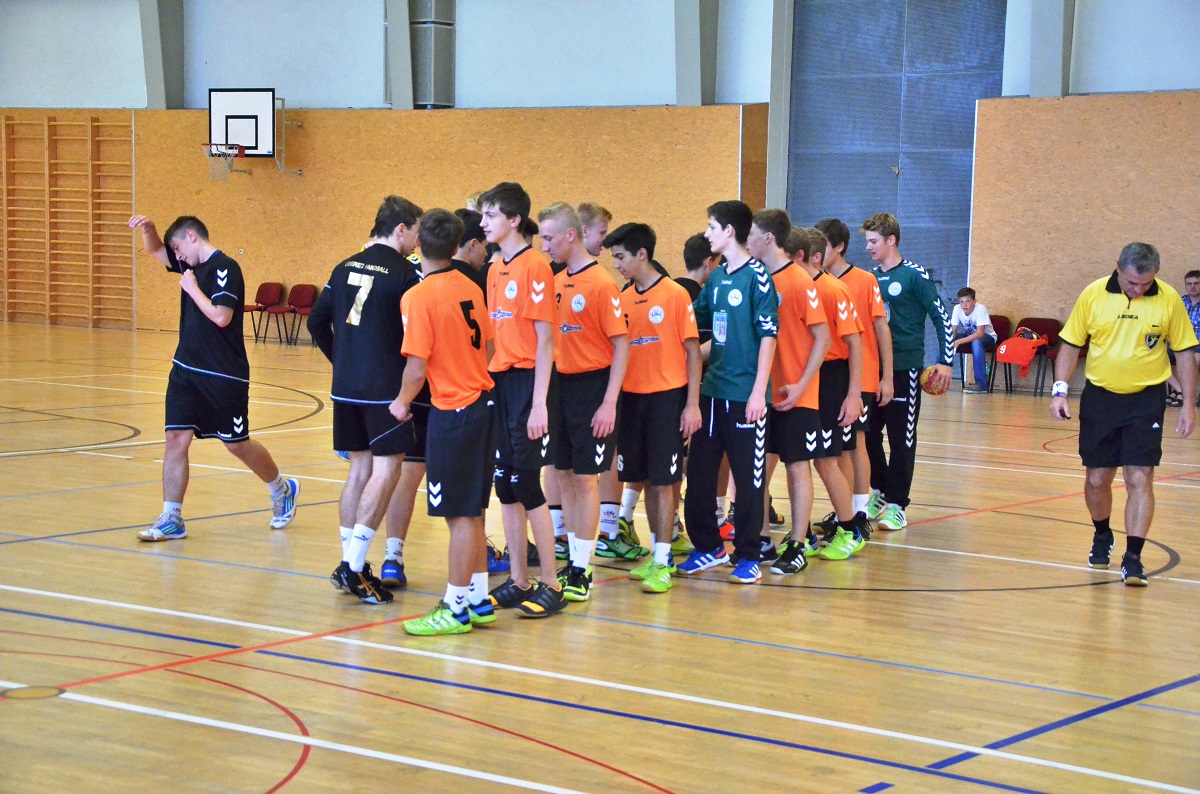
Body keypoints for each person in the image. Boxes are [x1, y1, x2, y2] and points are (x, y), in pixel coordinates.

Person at [128, 215, 298, 543]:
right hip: (185, 370)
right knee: (175, 438)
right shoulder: (187, 264)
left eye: (178, 248)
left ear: (192, 236)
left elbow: (222, 316)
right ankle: (172, 518)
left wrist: (192, 289)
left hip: (224, 374)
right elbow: (155, 251)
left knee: (236, 444)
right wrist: (149, 230)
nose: (176, 256)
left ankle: (282, 489)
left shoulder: (226, 268)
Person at [1050, 243, 1197, 586]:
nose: (1138, 290)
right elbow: (1071, 344)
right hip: (1101, 398)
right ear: (1117, 268)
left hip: (1146, 399)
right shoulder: (1093, 294)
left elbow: (1185, 353)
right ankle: (1102, 533)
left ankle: (1133, 558)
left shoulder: (1169, 299)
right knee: (1097, 479)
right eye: (1132, 283)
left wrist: (1189, 404)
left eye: (1146, 284)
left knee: (1140, 477)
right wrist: (1059, 390)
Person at [308, 196, 423, 604]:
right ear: (401, 229)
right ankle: (354, 566)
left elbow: (316, 321)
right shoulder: (406, 275)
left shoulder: (343, 266)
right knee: (388, 468)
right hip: (385, 389)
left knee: (359, 469)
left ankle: (349, 562)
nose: (417, 243)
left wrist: (341, 359)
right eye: (415, 233)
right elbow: (417, 334)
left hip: (346, 387)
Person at [392, 209, 498, 634]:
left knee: (459, 515)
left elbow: (416, 366)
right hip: (483, 404)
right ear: (457, 247)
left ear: (418, 244)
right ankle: (478, 598)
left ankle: (454, 608)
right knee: (472, 510)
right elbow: (489, 349)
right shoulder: (471, 286)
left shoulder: (418, 296)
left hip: (454, 413)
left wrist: (401, 402)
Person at [678, 200, 778, 585]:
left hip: (744, 396)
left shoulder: (758, 277)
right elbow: (695, 323)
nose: (707, 234)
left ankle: (749, 554)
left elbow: (768, 337)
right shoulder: (718, 278)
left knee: (748, 481)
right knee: (699, 474)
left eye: (711, 227)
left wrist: (758, 392)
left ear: (729, 231)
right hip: (712, 393)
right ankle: (708, 547)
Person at [480, 182, 565, 617]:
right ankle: (518, 579)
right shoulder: (494, 268)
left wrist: (539, 403)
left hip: (530, 382)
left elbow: (546, 341)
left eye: (490, 215)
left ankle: (552, 583)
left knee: (528, 483)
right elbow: (494, 336)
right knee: (505, 484)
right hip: (501, 382)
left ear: (514, 220)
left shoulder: (536, 267)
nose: (482, 223)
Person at [541, 202, 630, 601]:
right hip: (559, 387)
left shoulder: (601, 284)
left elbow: (622, 345)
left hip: (593, 389)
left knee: (585, 478)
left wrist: (609, 402)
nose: (545, 247)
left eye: (549, 238)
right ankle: (573, 556)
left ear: (570, 235)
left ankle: (582, 567)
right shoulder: (556, 281)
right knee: (562, 473)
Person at [606, 222, 702, 593]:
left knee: (664, 481)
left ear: (642, 254)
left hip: (667, 399)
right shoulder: (623, 298)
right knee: (644, 478)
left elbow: (693, 352)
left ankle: (663, 560)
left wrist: (691, 404)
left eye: (620, 257)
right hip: (631, 401)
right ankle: (657, 554)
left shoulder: (675, 294)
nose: (616, 265)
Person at [861, 213, 954, 531]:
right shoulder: (869, 279)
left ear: (891, 240)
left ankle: (897, 505)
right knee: (868, 434)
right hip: (872, 370)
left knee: (901, 438)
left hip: (905, 369)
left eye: (873, 241)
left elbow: (941, 317)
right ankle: (879, 490)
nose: (869, 247)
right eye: (867, 242)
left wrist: (946, 360)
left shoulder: (915, 276)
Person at [748, 217, 830, 575]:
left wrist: (802, 384)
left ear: (768, 238)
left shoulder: (799, 280)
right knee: (758, 467)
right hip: (760, 393)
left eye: (751, 234)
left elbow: (823, 337)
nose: (745, 241)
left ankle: (797, 543)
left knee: (797, 466)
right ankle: (762, 539)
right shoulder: (754, 278)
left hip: (796, 394)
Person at [815, 217, 893, 526]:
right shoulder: (816, 282)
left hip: (861, 375)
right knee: (839, 449)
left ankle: (859, 512)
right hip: (832, 376)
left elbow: (881, 328)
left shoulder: (864, 280)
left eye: (822, 246)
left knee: (856, 442)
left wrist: (887, 377)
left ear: (839, 247)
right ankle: (844, 511)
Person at [950, 287, 998, 393]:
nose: (964, 305)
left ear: (974, 301)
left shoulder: (981, 309)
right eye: (961, 302)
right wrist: (950, 341)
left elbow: (980, 334)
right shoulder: (957, 309)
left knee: (976, 343)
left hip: (987, 337)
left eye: (968, 301)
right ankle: (936, 378)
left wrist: (958, 342)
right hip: (968, 337)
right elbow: (954, 332)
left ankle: (982, 385)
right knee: (947, 342)